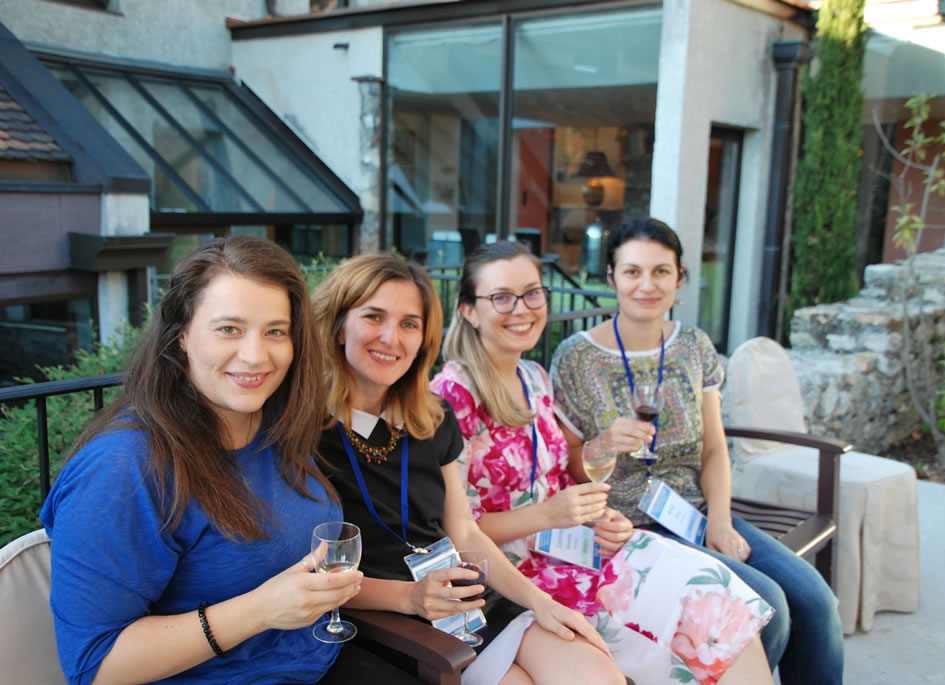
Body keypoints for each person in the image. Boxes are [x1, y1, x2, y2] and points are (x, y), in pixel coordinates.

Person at [39, 235, 416, 685]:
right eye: (229, 329)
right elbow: (95, 666)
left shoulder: (278, 425)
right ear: (180, 336)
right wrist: (258, 611)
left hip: (323, 664)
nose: (256, 355)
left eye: (275, 331)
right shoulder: (124, 467)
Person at [430, 240, 775, 685]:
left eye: (533, 293)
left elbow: (556, 479)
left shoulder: (533, 376)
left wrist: (595, 518)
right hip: (510, 579)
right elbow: (455, 531)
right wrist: (550, 514)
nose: (521, 308)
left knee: (719, 599)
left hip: (568, 552)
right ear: (470, 311)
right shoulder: (453, 395)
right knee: (684, 631)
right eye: (501, 297)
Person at [549, 218, 845, 684]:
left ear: (680, 277)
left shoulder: (693, 346)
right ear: (611, 278)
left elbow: (712, 450)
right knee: (770, 608)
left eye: (661, 272)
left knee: (817, 601)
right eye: (632, 272)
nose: (647, 285)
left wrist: (721, 523)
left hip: (696, 510)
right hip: (627, 526)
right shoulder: (575, 356)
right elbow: (566, 466)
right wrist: (603, 444)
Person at [311, 253, 624, 685]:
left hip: (464, 599)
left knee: (595, 675)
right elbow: (311, 571)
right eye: (373, 316)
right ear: (338, 324)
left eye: (409, 324)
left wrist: (541, 602)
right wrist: (413, 597)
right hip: (384, 616)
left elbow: (466, 532)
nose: (391, 337)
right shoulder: (305, 430)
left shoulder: (431, 417)